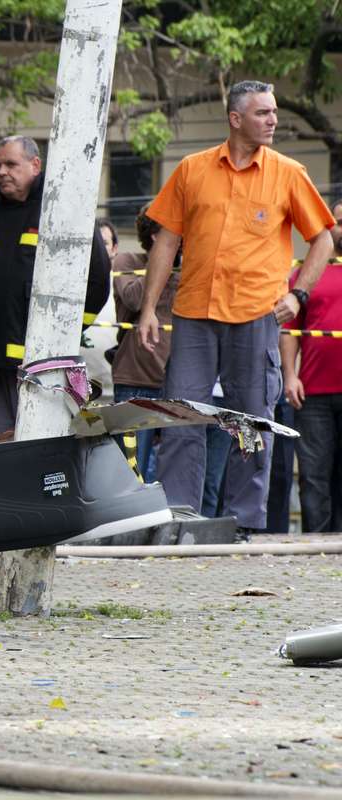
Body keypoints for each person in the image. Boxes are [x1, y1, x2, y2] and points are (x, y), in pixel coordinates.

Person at [139, 80, 335, 534]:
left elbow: (323, 239)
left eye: (273, 112)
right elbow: (166, 241)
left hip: (256, 316)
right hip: (194, 314)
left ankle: (242, 523)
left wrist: (299, 295)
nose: (273, 120)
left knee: (251, 423)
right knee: (181, 417)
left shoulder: (288, 172)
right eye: (263, 112)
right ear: (235, 118)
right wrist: (148, 309)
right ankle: (178, 518)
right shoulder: (191, 169)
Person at [0, 135, 111, 443]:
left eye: (10, 164)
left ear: (35, 164)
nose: (2, 172)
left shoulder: (62, 210)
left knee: (39, 452)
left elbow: (97, 281)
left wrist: (63, 338)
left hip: (43, 368)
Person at [281, 200, 342, 532]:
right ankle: (315, 545)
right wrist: (290, 375)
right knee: (313, 476)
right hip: (312, 394)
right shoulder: (305, 275)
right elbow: (290, 331)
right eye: (339, 222)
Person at [110, 207, 176, 481]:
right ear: (153, 234)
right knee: (130, 472)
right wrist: (161, 259)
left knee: (173, 472)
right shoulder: (127, 260)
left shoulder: (188, 266)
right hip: (136, 379)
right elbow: (134, 299)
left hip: (178, 383)